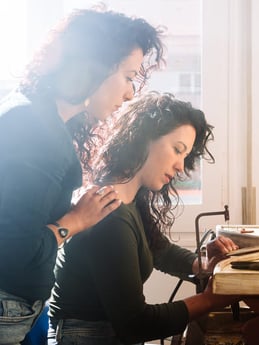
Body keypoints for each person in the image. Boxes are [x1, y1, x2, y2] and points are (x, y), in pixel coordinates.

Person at [0, 6, 164, 344]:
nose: (131, 92)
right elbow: (15, 250)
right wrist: (75, 221)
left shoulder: (35, 116)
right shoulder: (35, 130)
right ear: (96, 66)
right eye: (129, 76)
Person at [47, 91, 242, 345]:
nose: (181, 166)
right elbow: (136, 324)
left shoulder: (128, 199)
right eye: (177, 150)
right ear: (142, 140)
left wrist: (202, 264)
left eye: (185, 156)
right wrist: (210, 299)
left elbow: (159, 250)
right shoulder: (111, 215)